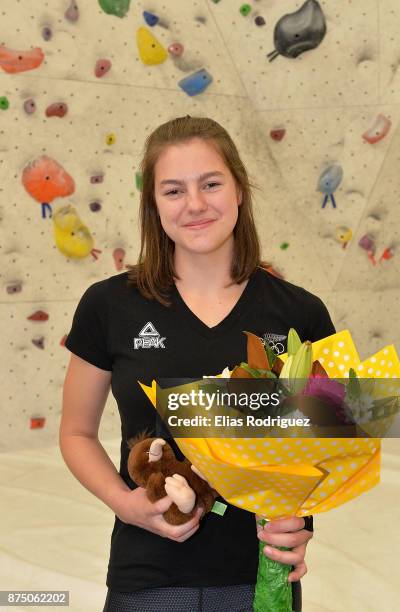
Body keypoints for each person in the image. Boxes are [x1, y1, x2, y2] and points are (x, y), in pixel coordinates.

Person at [60, 115, 336, 612]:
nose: (195, 204)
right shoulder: (108, 305)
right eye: (173, 190)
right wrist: (125, 504)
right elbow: (76, 432)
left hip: (259, 576)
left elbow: (324, 445)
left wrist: (301, 526)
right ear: (153, 204)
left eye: (210, 183)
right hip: (147, 577)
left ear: (239, 189)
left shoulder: (301, 312)